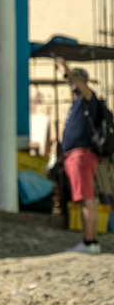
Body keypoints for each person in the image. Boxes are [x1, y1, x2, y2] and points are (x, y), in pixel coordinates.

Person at [57, 57, 102, 254]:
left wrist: (66, 68)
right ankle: (90, 241)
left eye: (73, 79)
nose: (69, 82)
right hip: (75, 156)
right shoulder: (77, 104)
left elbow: (81, 85)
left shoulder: (88, 98)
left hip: (81, 156)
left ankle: (90, 242)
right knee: (86, 199)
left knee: (86, 200)